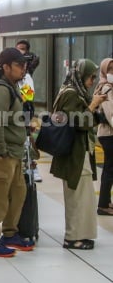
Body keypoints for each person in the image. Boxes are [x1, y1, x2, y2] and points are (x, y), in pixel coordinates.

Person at [0, 48, 35, 257]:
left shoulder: (13, 87)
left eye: (24, 65)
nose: (23, 69)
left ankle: (9, 234)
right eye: (19, 65)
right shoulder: (1, 90)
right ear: (6, 67)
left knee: (18, 192)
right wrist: (0, 149)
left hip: (14, 152)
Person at [50, 59, 106, 250]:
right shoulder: (71, 93)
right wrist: (93, 106)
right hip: (74, 153)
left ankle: (81, 234)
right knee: (77, 197)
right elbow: (77, 122)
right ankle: (73, 237)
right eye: (91, 77)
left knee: (83, 196)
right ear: (81, 76)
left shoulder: (74, 92)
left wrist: (94, 106)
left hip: (79, 152)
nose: (92, 80)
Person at [15, 40, 42, 182]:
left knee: (27, 142)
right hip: (9, 116)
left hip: (23, 114)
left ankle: (33, 167)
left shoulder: (26, 78)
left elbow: (28, 97)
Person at [95, 57, 113, 216]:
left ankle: (106, 202)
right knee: (109, 169)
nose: (112, 72)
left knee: (109, 169)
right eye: (110, 69)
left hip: (107, 133)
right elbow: (111, 114)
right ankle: (103, 205)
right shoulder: (107, 88)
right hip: (109, 134)